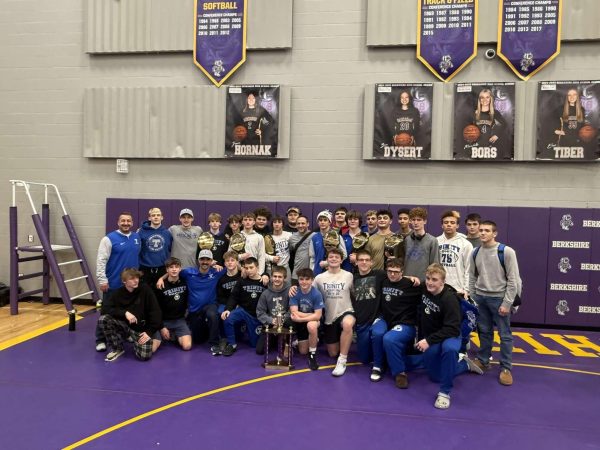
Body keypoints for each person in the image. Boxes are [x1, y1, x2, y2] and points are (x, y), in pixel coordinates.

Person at [408, 264, 483, 409]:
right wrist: (410, 277)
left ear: (443, 281)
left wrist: (428, 341)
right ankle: (464, 364)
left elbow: (452, 328)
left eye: (434, 280)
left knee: (449, 349)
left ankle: (444, 393)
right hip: (434, 336)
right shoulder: (425, 288)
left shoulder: (449, 300)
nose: (430, 282)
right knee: (435, 376)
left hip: (451, 335)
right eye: (428, 278)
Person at [469, 220, 521, 386]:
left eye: (487, 230)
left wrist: (507, 303)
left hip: (499, 298)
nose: (482, 233)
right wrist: (473, 297)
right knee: (484, 331)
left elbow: (514, 280)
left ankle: (506, 367)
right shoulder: (475, 252)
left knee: (505, 335)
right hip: (481, 298)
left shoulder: (506, 251)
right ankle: (484, 360)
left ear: (494, 233)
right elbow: (472, 277)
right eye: (481, 230)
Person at [159, 249, 226, 355]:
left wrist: (257, 273)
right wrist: (161, 278)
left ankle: (215, 343)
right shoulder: (189, 272)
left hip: (210, 305)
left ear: (211, 261)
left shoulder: (216, 272)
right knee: (198, 340)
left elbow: (233, 266)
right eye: (202, 259)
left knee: (213, 314)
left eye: (207, 259)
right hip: (194, 310)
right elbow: (174, 271)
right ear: (198, 260)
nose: (205, 262)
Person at [95, 211, 141, 352]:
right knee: (106, 312)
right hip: (113, 283)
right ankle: (100, 339)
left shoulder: (136, 237)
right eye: (123, 221)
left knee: (128, 310)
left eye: (128, 221)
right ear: (118, 222)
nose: (126, 223)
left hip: (130, 285)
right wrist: (102, 280)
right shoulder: (108, 239)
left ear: (132, 223)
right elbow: (101, 260)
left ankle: (125, 333)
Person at [98, 268, 162, 362]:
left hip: (140, 328)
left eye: (137, 277)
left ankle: (135, 340)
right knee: (103, 319)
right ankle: (117, 348)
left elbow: (156, 312)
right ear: (124, 281)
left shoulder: (145, 290)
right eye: (132, 278)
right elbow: (104, 309)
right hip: (124, 326)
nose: (136, 280)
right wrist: (125, 313)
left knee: (144, 356)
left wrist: (149, 332)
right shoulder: (118, 293)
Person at [377, 258, 421, 387]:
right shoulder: (384, 281)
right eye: (390, 271)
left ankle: (400, 373)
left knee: (389, 339)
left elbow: (432, 287)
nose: (392, 274)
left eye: (396, 272)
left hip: (406, 324)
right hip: (388, 322)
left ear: (402, 272)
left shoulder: (411, 284)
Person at [313, 248, 355, 377]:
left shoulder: (349, 275)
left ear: (341, 260)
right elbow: (310, 293)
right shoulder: (319, 278)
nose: (334, 259)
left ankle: (342, 360)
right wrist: (294, 288)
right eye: (331, 257)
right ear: (327, 259)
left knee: (347, 324)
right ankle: (341, 342)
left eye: (337, 257)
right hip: (329, 317)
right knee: (332, 353)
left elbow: (354, 294)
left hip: (346, 311)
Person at [351, 249, 387, 380]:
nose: (364, 262)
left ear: (372, 262)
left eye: (367, 260)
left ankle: (378, 366)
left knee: (378, 334)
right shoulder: (352, 278)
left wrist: (411, 278)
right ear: (356, 262)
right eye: (361, 260)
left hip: (378, 318)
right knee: (364, 359)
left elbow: (396, 275)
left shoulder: (379, 275)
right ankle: (378, 355)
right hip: (361, 322)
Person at [221, 257, 267, 356]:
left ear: (257, 267)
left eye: (251, 267)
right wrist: (228, 309)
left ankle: (246, 330)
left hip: (257, 316)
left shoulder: (264, 282)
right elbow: (233, 297)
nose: (249, 270)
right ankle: (232, 344)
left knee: (254, 345)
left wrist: (266, 274)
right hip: (244, 311)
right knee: (228, 318)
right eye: (246, 268)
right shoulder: (242, 281)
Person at [289, 268, 324, 370]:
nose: (304, 282)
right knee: (303, 351)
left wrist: (301, 319)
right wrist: (311, 314)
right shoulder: (295, 292)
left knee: (311, 325)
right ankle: (312, 339)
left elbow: (318, 316)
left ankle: (312, 354)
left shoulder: (316, 294)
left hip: (310, 321)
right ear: (298, 280)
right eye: (301, 279)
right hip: (303, 321)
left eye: (307, 279)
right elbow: (294, 312)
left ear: (312, 280)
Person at [156, 257, 191, 351]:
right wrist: (162, 327)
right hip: (164, 321)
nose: (174, 269)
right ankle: (165, 333)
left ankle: (173, 335)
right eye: (171, 267)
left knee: (187, 346)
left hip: (179, 320)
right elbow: (155, 309)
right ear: (167, 270)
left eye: (176, 267)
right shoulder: (160, 285)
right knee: (153, 346)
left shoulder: (185, 281)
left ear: (180, 269)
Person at [256, 266, 291, 355]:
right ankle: (276, 338)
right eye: (275, 276)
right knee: (260, 351)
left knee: (291, 322)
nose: (277, 279)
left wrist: (282, 320)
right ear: (271, 277)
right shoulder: (265, 294)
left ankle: (286, 341)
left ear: (284, 278)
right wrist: (272, 320)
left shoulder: (290, 291)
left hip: (285, 323)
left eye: (280, 277)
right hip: (270, 324)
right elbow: (260, 312)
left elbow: (292, 310)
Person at [437, 210, 473, 297]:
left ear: (457, 225)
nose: (449, 224)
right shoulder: (436, 241)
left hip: (458, 289)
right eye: (446, 222)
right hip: (438, 287)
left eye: (452, 222)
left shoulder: (465, 244)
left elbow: (469, 269)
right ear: (442, 225)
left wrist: (466, 289)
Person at [138, 207, 172, 289]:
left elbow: (169, 248)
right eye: (153, 215)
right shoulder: (141, 232)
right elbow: (137, 250)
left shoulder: (167, 233)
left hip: (162, 270)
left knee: (160, 296)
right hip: (145, 270)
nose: (156, 217)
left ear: (162, 217)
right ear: (149, 218)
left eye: (158, 215)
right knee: (145, 297)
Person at [402, 207, 439, 281]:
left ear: (425, 221)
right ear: (410, 221)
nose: (416, 222)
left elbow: (435, 265)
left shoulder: (432, 240)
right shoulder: (407, 239)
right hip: (407, 279)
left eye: (419, 220)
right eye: (413, 220)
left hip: (423, 281)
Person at [309, 210, 348, 276]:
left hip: (334, 271)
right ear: (318, 222)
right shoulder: (314, 237)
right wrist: (312, 270)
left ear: (330, 222)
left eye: (325, 220)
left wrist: (328, 262)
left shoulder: (337, 236)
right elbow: (312, 257)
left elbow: (344, 255)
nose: (322, 222)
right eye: (320, 220)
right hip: (318, 272)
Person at [288, 215, 314, 283]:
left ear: (308, 224)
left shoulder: (314, 236)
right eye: (298, 223)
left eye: (303, 223)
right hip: (296, 274)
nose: (300, 225)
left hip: (311, 273)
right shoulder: (292, 238)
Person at [265, 215, 292, 281]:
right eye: (275, 222)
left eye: (279, 222)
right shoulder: (267, 237)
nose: (277, 224)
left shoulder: (289, 235)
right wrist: (271, 258)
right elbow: (261, 254)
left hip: (285, 267)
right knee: (272, 289)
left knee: (287, 289)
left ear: (282, 224)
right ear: (272, 224)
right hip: (271, 268)